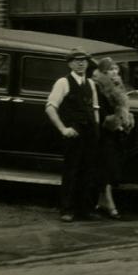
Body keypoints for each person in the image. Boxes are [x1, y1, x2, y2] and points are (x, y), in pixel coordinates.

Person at [45, 48, 101, 222]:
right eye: (76, 60)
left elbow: (95, 108)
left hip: (90, 133)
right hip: (73, 134)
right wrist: (63, 129)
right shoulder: (63, 82)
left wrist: (96, 127)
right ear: (69, 63)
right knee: (72, 171)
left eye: (83, 60)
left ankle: (85, 210)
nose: (81, 63)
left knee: (88, 171)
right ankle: (67, 210)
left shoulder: (91, 83)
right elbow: (50, 107)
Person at [92, 56, 134, 219]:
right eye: (110, 69)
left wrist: (126, 119)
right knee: (107, 167)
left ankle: (102, 201)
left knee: (112, 166)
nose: (115, 72)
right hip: (103, 132)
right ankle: (109, 203)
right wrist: (117, 122)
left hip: (114, 132)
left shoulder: (117, 85)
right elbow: (101, 112)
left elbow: (122, 106)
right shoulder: (98, 86)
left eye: (116, 69)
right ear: (103, 72)